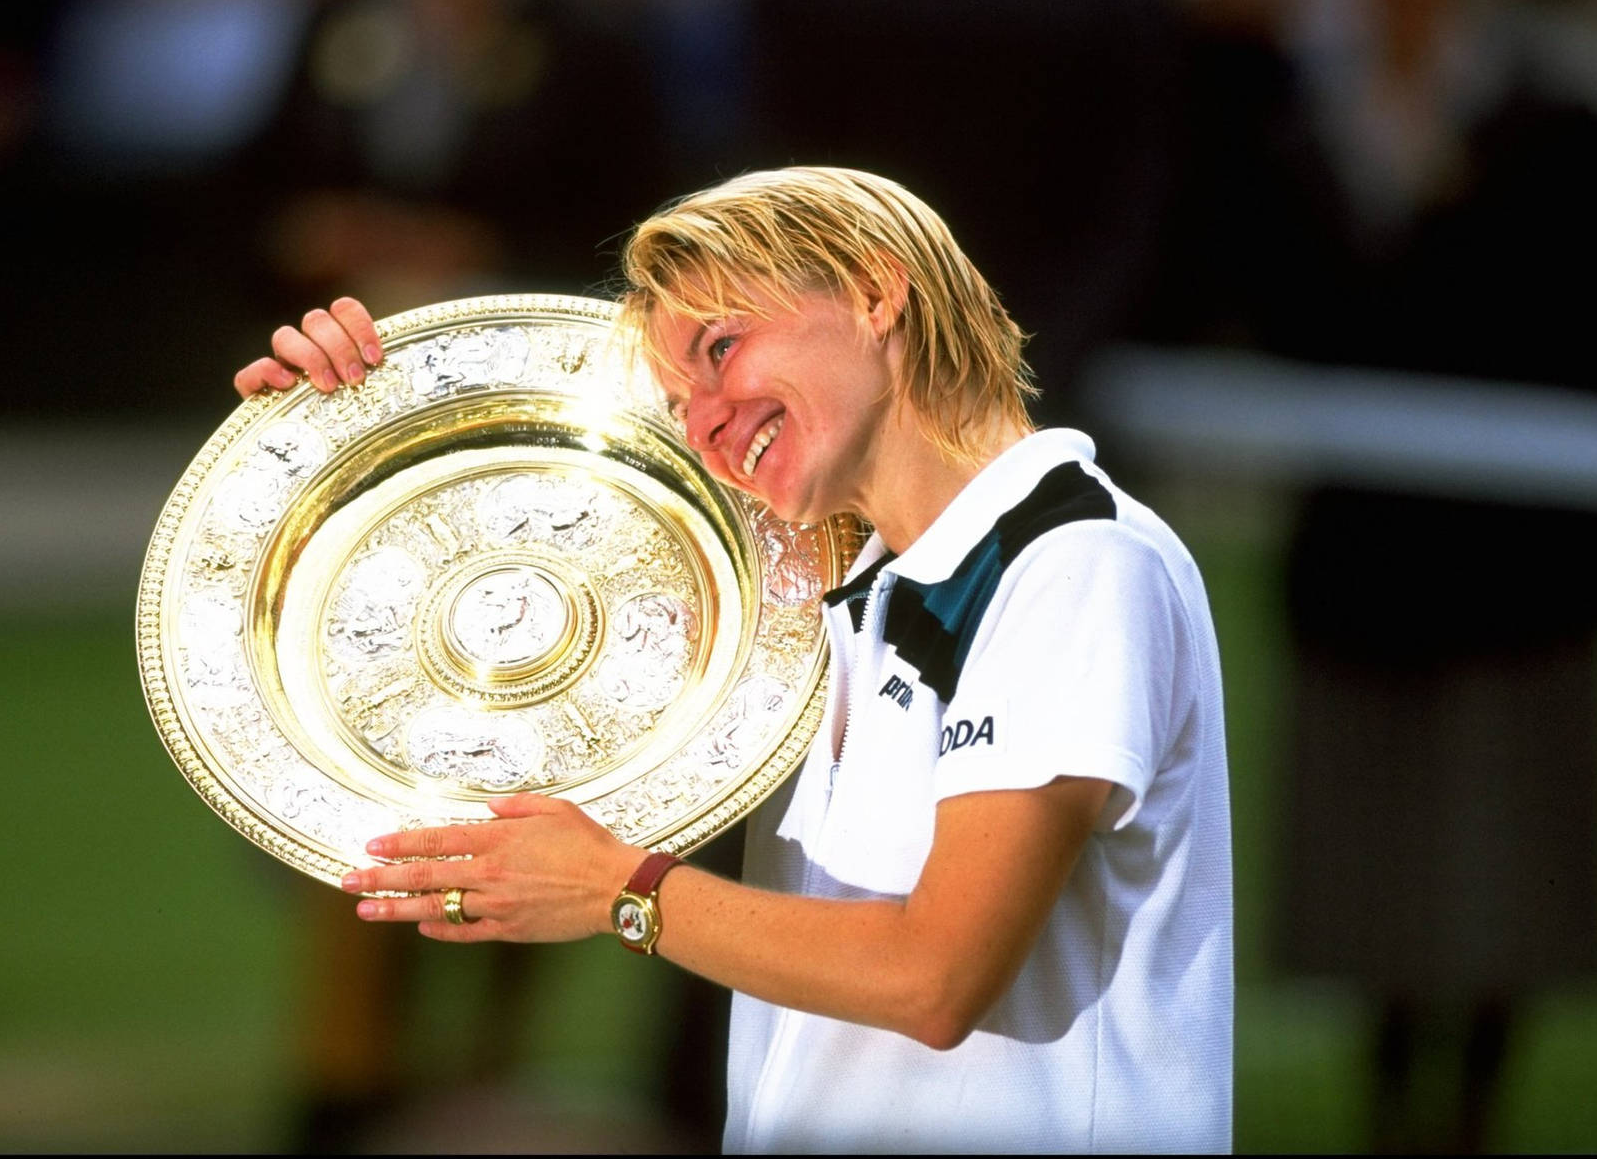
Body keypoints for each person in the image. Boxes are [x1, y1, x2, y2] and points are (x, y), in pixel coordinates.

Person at [236, 167, 1233, 1153]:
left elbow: (936, 976)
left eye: (724, 344)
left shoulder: (1076, 562)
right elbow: (514, 644)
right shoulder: (836, 596)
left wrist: (625, 893)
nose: (706, 416)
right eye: (679, 401)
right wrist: (338, 430)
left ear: (877, 292)